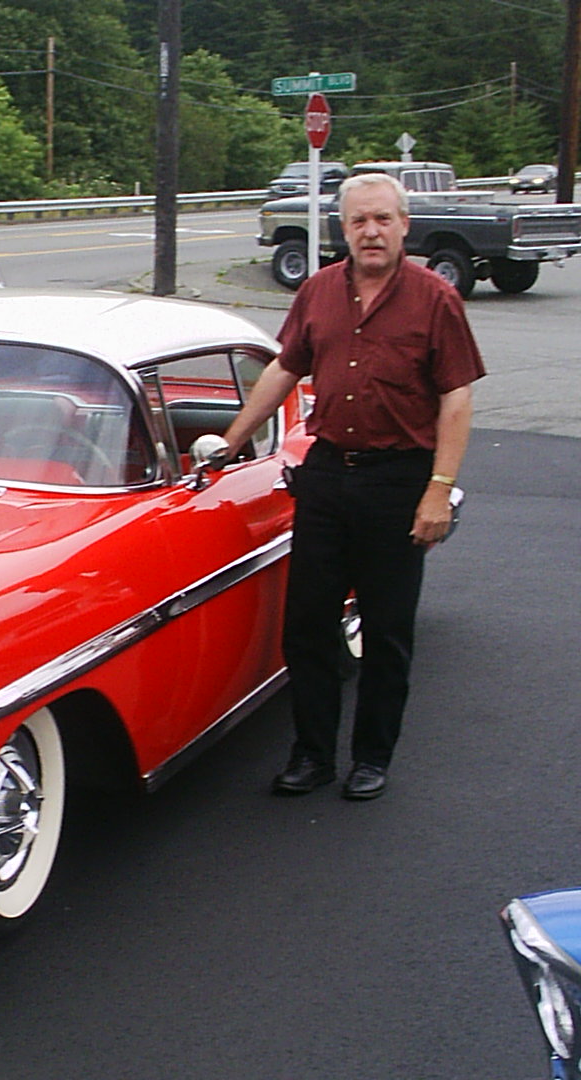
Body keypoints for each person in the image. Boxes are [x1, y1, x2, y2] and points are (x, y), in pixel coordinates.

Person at [220, 172, 484, 800]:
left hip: (399, 481)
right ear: (343, 229)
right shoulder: (317, 292)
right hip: (328, 474)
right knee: (307, 626)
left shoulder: (434, 299)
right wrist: (231, 439)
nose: (371, 231)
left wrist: (439, 489)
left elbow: (456, 398)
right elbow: (285, 369)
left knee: (387, 631)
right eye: (359, 221)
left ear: (404, 225)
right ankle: (312, 755)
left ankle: (372, 757)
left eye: (383, 219)